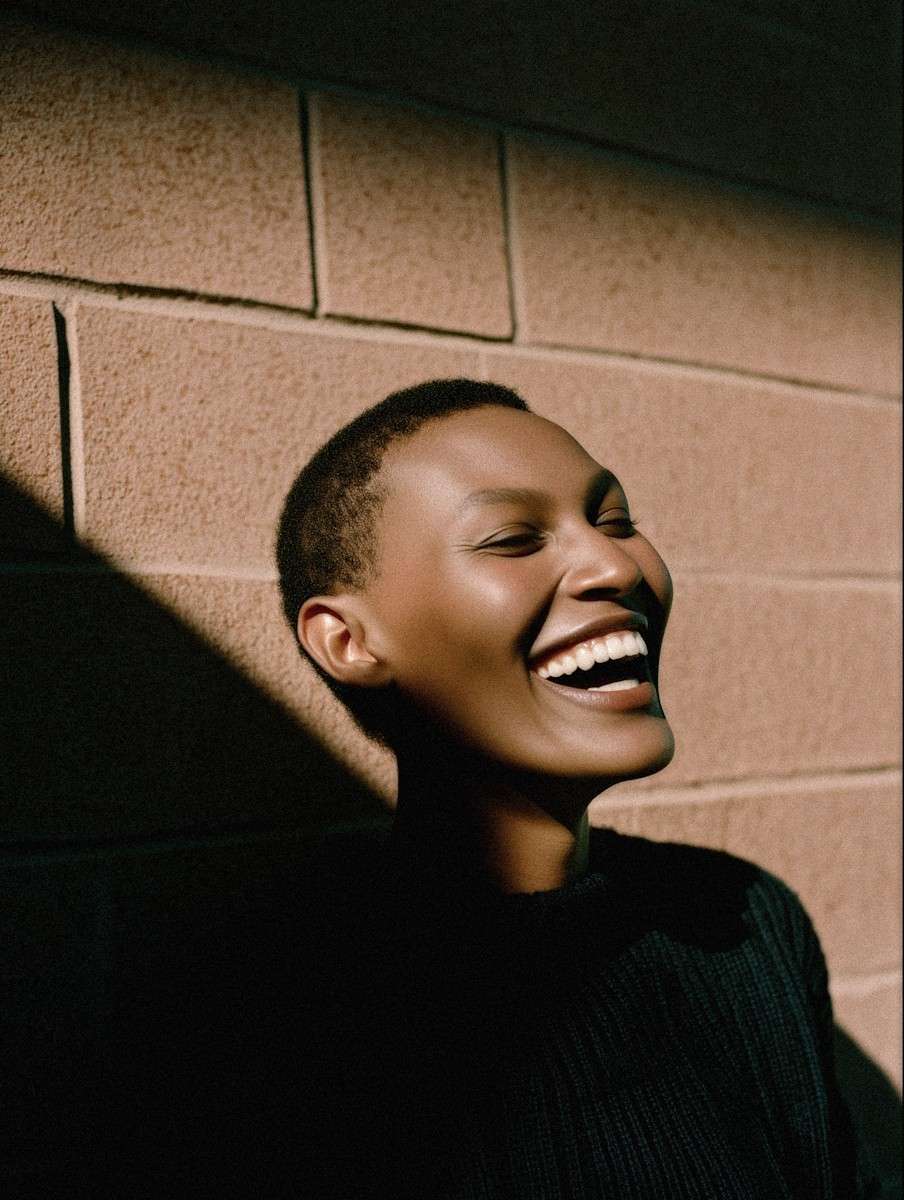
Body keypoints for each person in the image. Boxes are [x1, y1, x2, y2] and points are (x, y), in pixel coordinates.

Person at [270, 378, 878, 1198]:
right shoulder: (282, 1008)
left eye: (616, 522)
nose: (616, 564)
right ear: (348, 641)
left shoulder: (743, 920)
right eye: (513, 539)